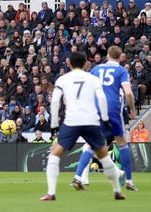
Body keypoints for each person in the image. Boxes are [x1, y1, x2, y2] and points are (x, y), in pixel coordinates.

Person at [40, 52, 124, 201]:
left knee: (55, 153)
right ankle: (117, 191)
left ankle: (51, 193)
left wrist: (54, 124)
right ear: (85, 64)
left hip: (72, 121)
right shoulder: (93, 78)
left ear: (69, 64)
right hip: (91, 120)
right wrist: (104, 119)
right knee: (103, 155)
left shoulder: (63, 79)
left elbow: (55, 101)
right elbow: (102, 97)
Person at [72, 46, 137, 191]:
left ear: (107, 56)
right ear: (121, 57)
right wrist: (132, 108)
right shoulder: (121, 71)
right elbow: (128, 92)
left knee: (90, 144)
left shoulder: (96, 69)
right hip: (113, 109)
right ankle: (129, 180)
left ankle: (77, 177)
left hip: (96, 108)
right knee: (122, 142)